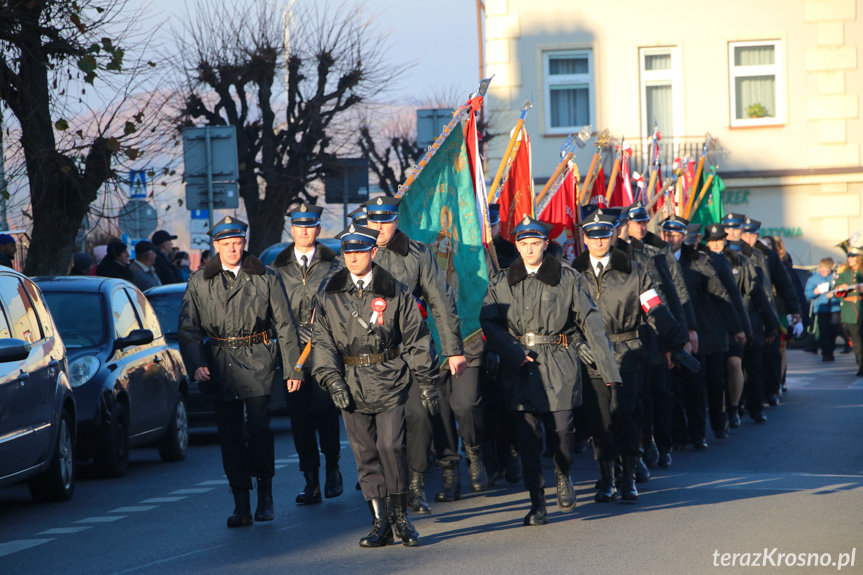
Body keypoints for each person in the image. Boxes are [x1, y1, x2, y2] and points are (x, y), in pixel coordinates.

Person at [481, 216, 620, 525]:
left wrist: (608, 368)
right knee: (528, 437)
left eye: (535, 243)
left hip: (559, 359)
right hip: (519, 365)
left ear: (545, 244)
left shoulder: (567, 277)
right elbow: (489, 320)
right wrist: (512, 351)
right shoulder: (501, 281)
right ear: (516, 246)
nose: (530, 249)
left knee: (562, 431)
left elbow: (590, 320)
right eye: (524, 244)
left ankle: (563, 471)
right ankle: (537, 502)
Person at [311, 224, 441, 548]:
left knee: (391, 447)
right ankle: (380, 522)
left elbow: (417, 338)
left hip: (390, 377)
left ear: (373, 252)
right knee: (365, 453)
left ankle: (401, 518)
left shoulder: (396, 290)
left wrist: (427, 382)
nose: (353, 258)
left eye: (359, 251)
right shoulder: (329, 294)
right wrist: (332, 379)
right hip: (350, 382)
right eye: (347, 252)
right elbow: (322, 342)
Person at [178, 216, 302, 528]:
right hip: (220, 362)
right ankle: (241, 503)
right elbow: (188, 328)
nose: (233, 249)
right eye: (226, 244)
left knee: (259, 429)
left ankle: (265, 495)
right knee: (230, 436)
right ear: (216, 246)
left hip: (258, 358)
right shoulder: (199, 281)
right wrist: (196, 364)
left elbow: (285, 325)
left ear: (244, 244)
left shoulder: (265, 276)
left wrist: (293, 369)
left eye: (237, 243)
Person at [574, 209, 692, 502]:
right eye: (593, 236)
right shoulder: (572, 274)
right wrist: (577, 344)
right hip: (592, 356)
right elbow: (563, 316)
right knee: (600, 420)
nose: (599, 241)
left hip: (627, 351)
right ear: (585, 239)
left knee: (626, 415)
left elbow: (654, 308)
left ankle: (628, 476)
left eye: (604, 235)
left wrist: (676, 343)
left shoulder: (635, 271)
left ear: (612, 236)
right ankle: (606, 478)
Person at [360, 195, 466, 515]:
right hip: (367, 354)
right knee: (376, 428)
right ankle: (384, 486)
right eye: (375, 221)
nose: (380, 227)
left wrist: (452, 350)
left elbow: (441, 301)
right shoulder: (356, 252)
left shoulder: (417, 253)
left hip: (410, 348)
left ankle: (416, 483)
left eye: (387, 221)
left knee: (418, 415)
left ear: (396, 221)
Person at [272, 202, 343, 505]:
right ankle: (310, 479)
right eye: (299, 226)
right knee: (300, 418)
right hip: (292, 351)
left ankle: (333, 468)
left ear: (317, 228)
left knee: (325, 410)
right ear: (292, 228)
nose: (304, 231)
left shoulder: (334, 263)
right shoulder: (277, 268)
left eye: (310, 225)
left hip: (325, 348)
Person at [661, 214, 745, 448]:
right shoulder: (655, 259)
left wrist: (737, 328)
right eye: (667, 234)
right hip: (670, 334)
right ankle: (678, 434)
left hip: (699, 334)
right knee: (672, 388)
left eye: (675, 234)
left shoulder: (698, 259)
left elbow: (721, 295)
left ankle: (698, 433)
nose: (671, 239)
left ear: (683, 236)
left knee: (696, 386)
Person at [804, 258, 842, 362]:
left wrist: (834, 294)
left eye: (827, 271)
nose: (824, 273)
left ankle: (831, 349)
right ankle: (826, 353)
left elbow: (841, 291)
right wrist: (815, 292)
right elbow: (807, 295)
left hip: (834, 307)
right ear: (819, 268)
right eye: (822, 271)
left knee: (834, 330)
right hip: (821, 308)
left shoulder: (835, 277)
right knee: (824, 331)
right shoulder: (813, 278)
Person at [835, 243, 863, 376]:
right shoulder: (844, 273)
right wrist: (841, 288)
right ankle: (861, 365)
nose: (850, 259)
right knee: (856, 340)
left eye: (853, 256)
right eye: (849, 256)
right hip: (850, 311)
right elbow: (836, 291)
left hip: (861, 308)